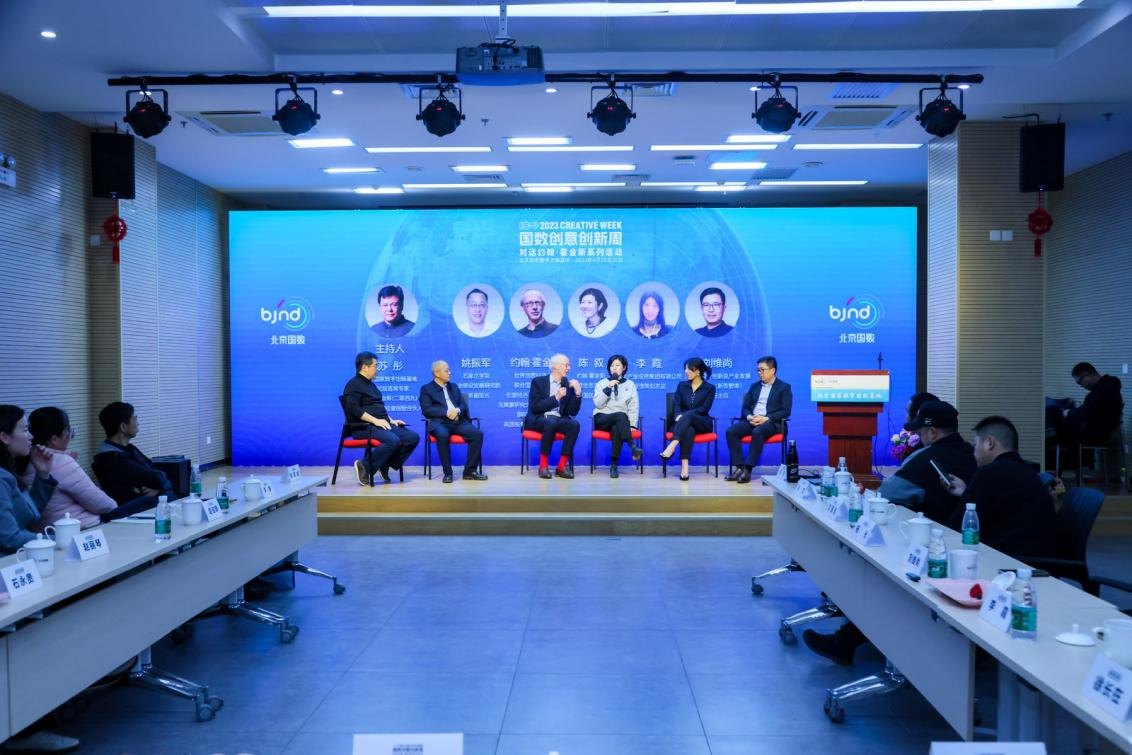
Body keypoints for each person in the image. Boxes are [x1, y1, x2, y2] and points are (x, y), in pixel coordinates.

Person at [803, 398, 976, 666]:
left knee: (878, 579)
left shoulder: (926, 459)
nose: (918, 437)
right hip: (963, 549)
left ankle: (846, 641)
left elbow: (889, 494)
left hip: (923, 547)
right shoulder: (971, 454)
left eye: (921, 432)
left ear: (932, 432)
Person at [0, 414, 79, 753]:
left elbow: (29, 516)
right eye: (23, 429)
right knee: (29, 643)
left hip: (16, 569)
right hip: (9, 576)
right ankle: (25, 726)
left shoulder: (9, 474)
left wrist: (43, 475)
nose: (31, 436)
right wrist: (49, 544)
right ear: (4, 437)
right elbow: (9, 537)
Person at [945, 416, 1058, 560]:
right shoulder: (1026, 471)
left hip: (1014, 563)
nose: (974, 452)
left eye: (975, 445)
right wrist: (967, 492)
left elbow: (956, 527)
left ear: (990, 443)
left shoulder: (990, 473)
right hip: (1039, 558)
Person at [27, 407, 119, 528]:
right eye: (68, 432)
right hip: (81, 529)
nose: (71, 436)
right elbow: (104, 505)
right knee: (142, 503)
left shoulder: (23, 459)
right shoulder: (61, 462)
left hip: (47, 530)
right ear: (54, 439)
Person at [343, 351, 420, 484]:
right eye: (376, 365)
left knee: (412, 437)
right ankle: (364, 466)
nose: (378, 369)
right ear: (364, 367)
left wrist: (391, 420)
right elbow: (355, 410)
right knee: (393, 440)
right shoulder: (353, 385)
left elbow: (379, 408)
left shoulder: (371, 385)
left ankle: (384, 463)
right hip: (363, 427)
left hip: (380, 424)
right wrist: (375, 421)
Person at [418, 360, 488, 484]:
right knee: (443, 435)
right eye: (447, 371)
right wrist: (446, 412)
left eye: (449, 370)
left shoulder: (454, 387)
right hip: (439, 423)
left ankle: (470, 471)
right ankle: (448, 473)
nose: (450, 373)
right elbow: (427, 410)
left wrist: (457, 410)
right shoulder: (426, 389)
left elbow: (463, 405)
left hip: (457, 421)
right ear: (437, 373)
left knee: (477, 434)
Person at [725, 356, 792, 483]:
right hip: (753, 420)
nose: (760, 373)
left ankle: (747, 470)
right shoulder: (754, 386)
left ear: (772, 370)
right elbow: (745, 408)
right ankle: (739, 468)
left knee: (758, 431)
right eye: (758, 370)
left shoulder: (784, 387)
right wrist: (750, 416)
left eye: (762, 370)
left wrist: (766, 418)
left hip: (771, 423)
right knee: (731, 431)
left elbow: (786, 411)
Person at [92, 402, 174, 505]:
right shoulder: (112, 459)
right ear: (123, 427)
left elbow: (154, 469)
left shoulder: (129, 449)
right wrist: (162, 486)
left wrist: (159, 489)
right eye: (135, 419)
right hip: (132, 509)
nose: (138, 423)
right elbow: (155, 478)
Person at [525, 354, 582, 479]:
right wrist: (556, 397)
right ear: (555, 366)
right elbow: (535, 407)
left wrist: (577, 393)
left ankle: (561, 467)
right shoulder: (538, 382)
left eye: (569, 365)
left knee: (574, 425)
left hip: (558, 419)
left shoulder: (567, 385)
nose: (569, 368)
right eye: (566, 365)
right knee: (550, 422)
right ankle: (543, 466)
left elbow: (572, 412)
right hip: (539, 419)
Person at [660, 358, 716, 481]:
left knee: (689, 417)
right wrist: (678, 415)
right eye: (685, 368)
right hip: (683, 424)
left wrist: (685, 416)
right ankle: (684, 469)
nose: (686, 371)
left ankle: (672, 446)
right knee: (689, 430)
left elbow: (704, 409)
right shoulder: (682, 386)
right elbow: (677, 405)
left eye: (689, 369)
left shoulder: (710, 388)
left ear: (698, 371)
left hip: (702, 422)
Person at [592, 354, 643, 478]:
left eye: (617, 365)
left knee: (617, 428)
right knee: (621, 415)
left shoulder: (630, 384)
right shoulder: (602, 383)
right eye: (612, 366)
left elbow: (633, 407)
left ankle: (614, 466)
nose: (614, 368)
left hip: (620, 422)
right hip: (602, 418)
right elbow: (598, 404)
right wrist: (608, 388)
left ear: (624, 368)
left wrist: (633, 425)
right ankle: (632, 445)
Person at [1057, 362, 1124, 449]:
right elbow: (1092, 409)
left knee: (1055, 419)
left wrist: (1069, 413)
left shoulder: (1105, 389)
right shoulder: (1107, 387)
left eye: (1079, 382)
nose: (1081, 386)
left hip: (1097, 432)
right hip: (1098, 429)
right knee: (1058, 416)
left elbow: (1089, 411)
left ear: (1087, 376)